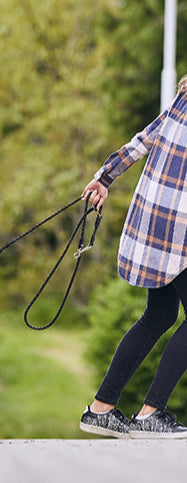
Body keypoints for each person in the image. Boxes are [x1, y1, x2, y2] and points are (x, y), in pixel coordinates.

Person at [79, 74, 187, 439]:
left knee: (159, 316)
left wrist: (104, 177)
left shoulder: (183, 100)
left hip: (157, 221)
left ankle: (101, 409)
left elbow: (143, 141)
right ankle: (150, 414)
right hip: (178, 227)